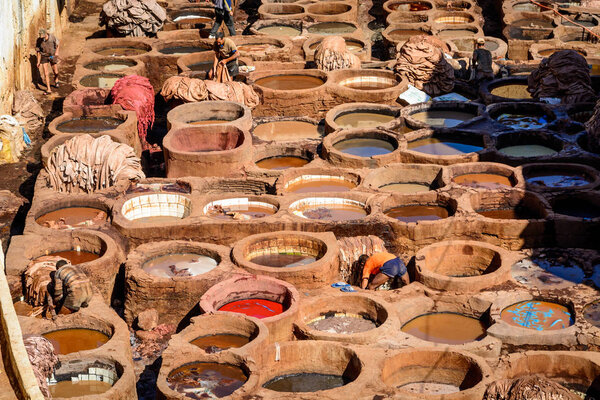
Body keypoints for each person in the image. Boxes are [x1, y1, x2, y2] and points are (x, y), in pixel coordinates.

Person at [35, 28, 60, 95]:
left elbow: (58, 44)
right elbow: (38, 51)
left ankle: (56, 80)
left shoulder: (52, 37)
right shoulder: (39, 40)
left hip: (52, 55)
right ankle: (48, 89)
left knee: (55, 71)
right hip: (44, 56)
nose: (42, 38)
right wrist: (38, 61)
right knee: (46, 73)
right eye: (41, 36)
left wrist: (56, 53)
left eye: (43, 36)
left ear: (46, 34)